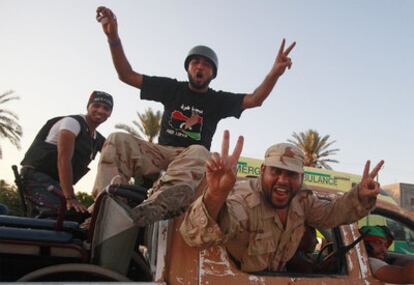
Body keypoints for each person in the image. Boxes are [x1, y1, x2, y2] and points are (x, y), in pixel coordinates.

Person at [92, 6, 296, 226]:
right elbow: (126, 75)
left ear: (212, 73)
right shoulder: (171, 88)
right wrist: (113, 37)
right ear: (188, 67)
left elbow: (255, 99)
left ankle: (158, 202)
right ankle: (105, 204)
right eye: (195, 63)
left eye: (206, 65)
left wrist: (274, 73)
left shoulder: (217, 100)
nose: (200, 67)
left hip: (191, 158)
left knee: (201, 151)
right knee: (117, 139)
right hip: (161, 152)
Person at [180, 130, 384, 273]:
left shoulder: (302, 201)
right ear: (262, 172)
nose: (283, 181)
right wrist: (216, 194)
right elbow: (197, 237)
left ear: (301, 178)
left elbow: (331, 214)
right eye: (276, 171)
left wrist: (359, 195)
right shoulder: (244, 199)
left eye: (291, 174)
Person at [20, 91, 113, 217]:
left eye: (106, 108)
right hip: (38, 177)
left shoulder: (97, 139)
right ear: (88, 106)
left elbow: (117, 154)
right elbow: (63, 159)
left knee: (83, 217)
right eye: (96, 105)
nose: (101, 111)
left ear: (110, 113)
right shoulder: (72, 123)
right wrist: (70, 197)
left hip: (56, 184)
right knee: (62, 216)